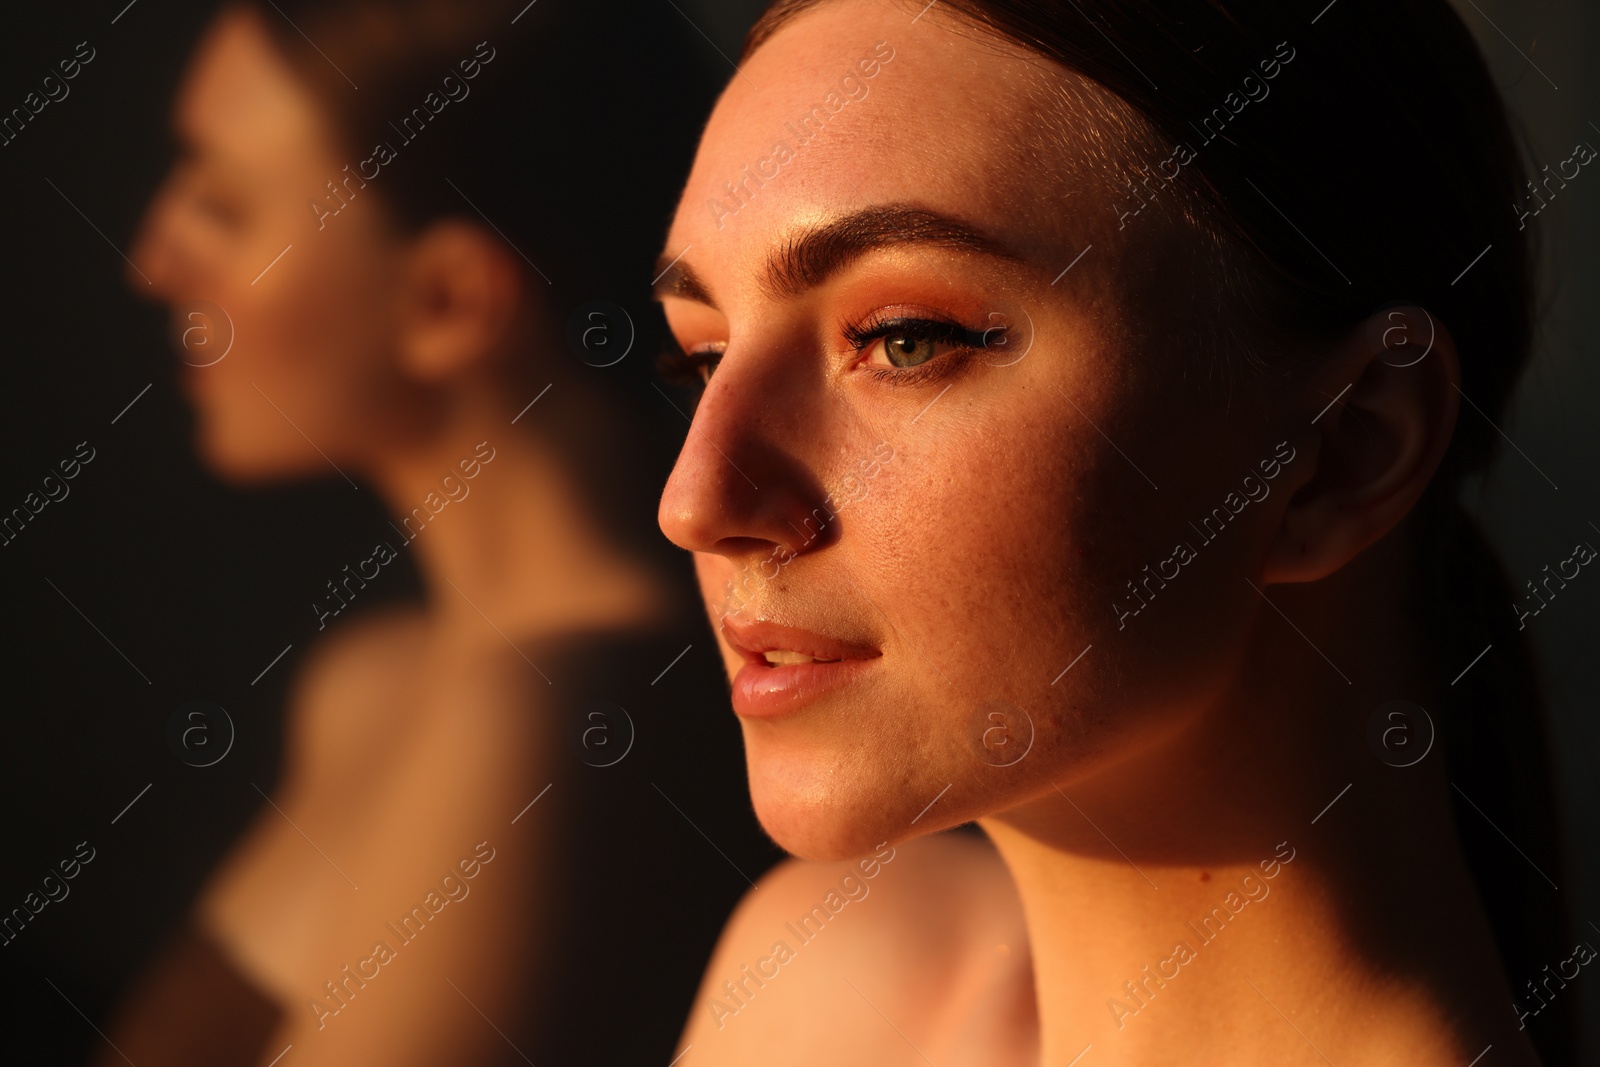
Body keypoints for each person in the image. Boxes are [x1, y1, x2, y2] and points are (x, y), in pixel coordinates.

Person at [654, 0, 1577, 1064]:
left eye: (905, 339)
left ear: (1341, 450)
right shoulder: (839, 976)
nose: (697, 501)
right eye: (704, 355)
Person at [95, 2, 772, 1064]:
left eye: (222, 206)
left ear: (451, 300)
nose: (152, 261)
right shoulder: (378, 682)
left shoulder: (557, 723)